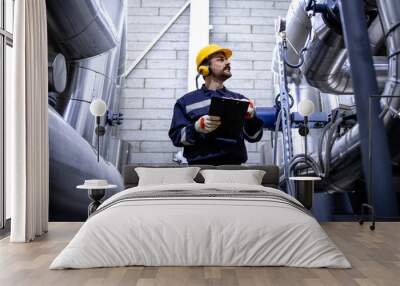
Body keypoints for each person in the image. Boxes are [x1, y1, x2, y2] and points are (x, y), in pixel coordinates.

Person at [169, 44, 263, 165]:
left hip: (234, 169)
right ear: (205, 68)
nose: (228, 62)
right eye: (220, 59)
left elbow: (254, 137)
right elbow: (176, 138)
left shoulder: (240, 100)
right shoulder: (186, 102)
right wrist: (196, 128)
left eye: (227, 59)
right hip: (200, 169)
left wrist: (251, 118)